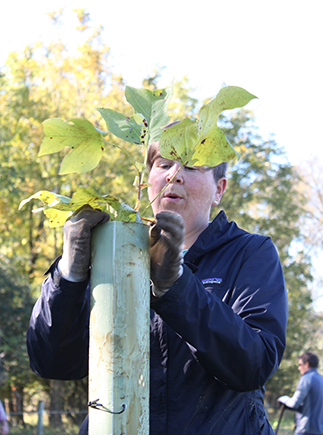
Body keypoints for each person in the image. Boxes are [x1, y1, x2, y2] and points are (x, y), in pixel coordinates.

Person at [27, 140, 288, 434]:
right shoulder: (114, 253)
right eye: (163, 164)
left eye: (190, 166)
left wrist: (175, 287)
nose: (173, 175)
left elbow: (254, 364)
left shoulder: (250, 253)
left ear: (219, 189)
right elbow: (53, 363)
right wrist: (69, 276)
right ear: (145, 180)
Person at [278, 352, 323, 434]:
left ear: (307, 364)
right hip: (319, 430)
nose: (299, 368)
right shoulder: (321, 379)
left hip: (306, 429)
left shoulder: (306, 378)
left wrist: (284, 399)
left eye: (300, 364)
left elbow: (294, 403)